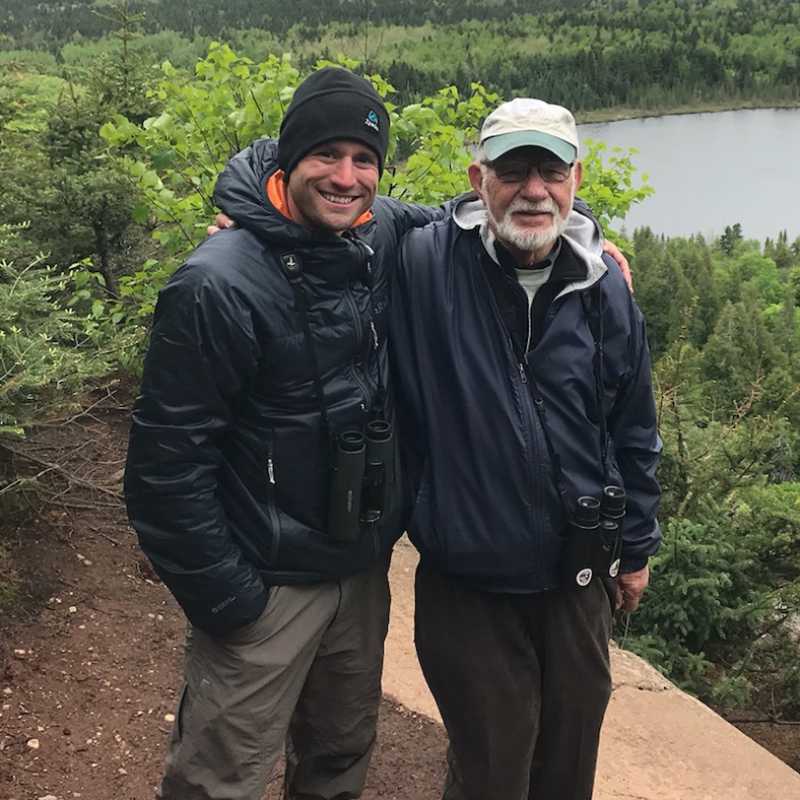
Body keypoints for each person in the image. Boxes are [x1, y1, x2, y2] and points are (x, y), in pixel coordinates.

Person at [126, 65, 632, 799]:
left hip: (358, 573)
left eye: (364, 160)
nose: (345, 176)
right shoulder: (219, 283)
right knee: (219, 779)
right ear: (287, 160)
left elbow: (491, 210)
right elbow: (163, 472)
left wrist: (587, 237)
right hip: (264, 582)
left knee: (337, 762)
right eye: (325, 156)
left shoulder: (382, 233)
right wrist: (228, 598)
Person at [389, 98, 661, 800]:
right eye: (514, 171)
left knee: (569, 767)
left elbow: (632, 425)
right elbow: (327, 194)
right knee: (491, 771)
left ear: (576, 177)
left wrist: (636, 548)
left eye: (550, 170)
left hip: (576, 576)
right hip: (468, 579)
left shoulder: (603, 286)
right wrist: (251, 208)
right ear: (479, 179)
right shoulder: (422, 262)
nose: (534, 190)